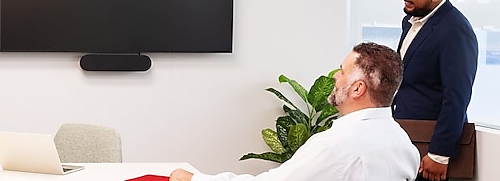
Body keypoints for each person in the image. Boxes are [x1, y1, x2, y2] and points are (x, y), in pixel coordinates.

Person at [169, 43, 420, 181]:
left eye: (342, 71)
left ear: (357, 89)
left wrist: (195, 180)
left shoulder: (335, 146)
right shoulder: (404, 145)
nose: (335, 76)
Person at [392, 0, 478, 181]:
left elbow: (457, 97)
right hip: (403, 139)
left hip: (430, 149)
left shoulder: (455, 30)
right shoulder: (410, 20)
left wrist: (439, 154)